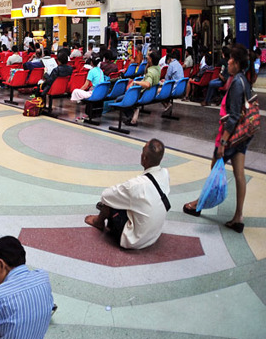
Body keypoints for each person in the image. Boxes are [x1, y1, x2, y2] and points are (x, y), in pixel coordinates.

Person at [183, 44, 251, 233]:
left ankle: (199, 205)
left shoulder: (236, 83)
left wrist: (223, 142)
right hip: (242, 136)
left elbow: (234, 115)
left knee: (215, 169)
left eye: (229, 59)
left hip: (229, 137)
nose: (227, 62)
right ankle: (238, 216)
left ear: (236, 63)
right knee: (239, 174)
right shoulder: (244, 80)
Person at [85, 139, 170, 249]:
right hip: (154, 234)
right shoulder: (165, 174)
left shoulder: (135, 185)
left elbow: (106, 196)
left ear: (144, 158)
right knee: (130, 200)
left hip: (134, 239)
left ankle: (98, 222)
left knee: (109, 203)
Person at [125, 50, 161, 126]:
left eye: (148, 56)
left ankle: (132, 115)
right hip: (150, 93)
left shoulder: (151, 72)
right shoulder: (158, 68)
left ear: (151, 59)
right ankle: (132, 116)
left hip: (143, 93)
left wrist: (135, 82)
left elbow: (147, 84)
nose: (147, 57)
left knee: (120, 100)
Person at [70, 55, 106, 121]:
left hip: (94, 93)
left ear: (91, 62)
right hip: (101, 92)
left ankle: (77, 100)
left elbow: (85, 85)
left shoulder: (91, 71)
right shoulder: (101, 71)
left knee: (75, 91)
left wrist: (79, 90)